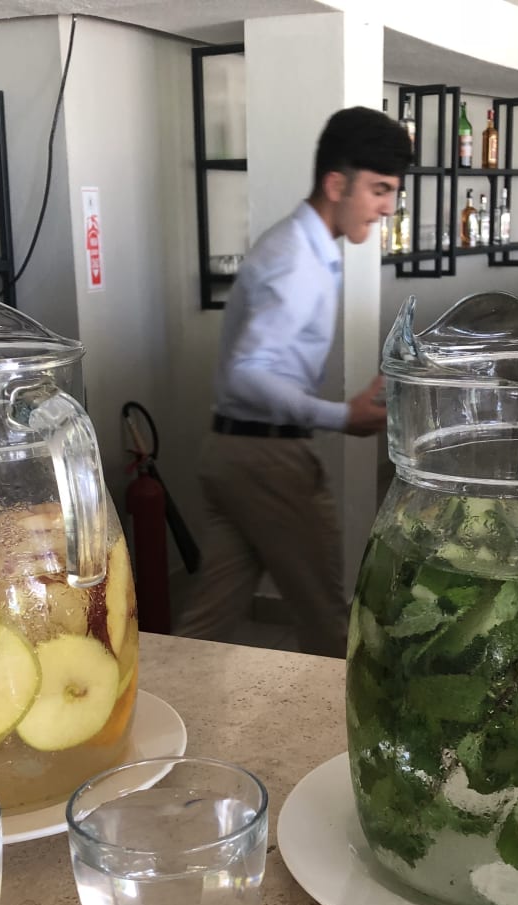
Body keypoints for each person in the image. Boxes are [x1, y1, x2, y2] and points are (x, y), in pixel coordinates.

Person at [176, 106, 411, 658]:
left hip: (231, 454)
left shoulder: (301, 246)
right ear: (336, 184)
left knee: (208, 622)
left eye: (393, 192)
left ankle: (165, 704)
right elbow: (248, 373)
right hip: (268, 462)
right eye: (379, 189)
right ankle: (340, 718)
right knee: (328, 622)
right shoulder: (296, 260)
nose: (388, 207)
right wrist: (343, 416)